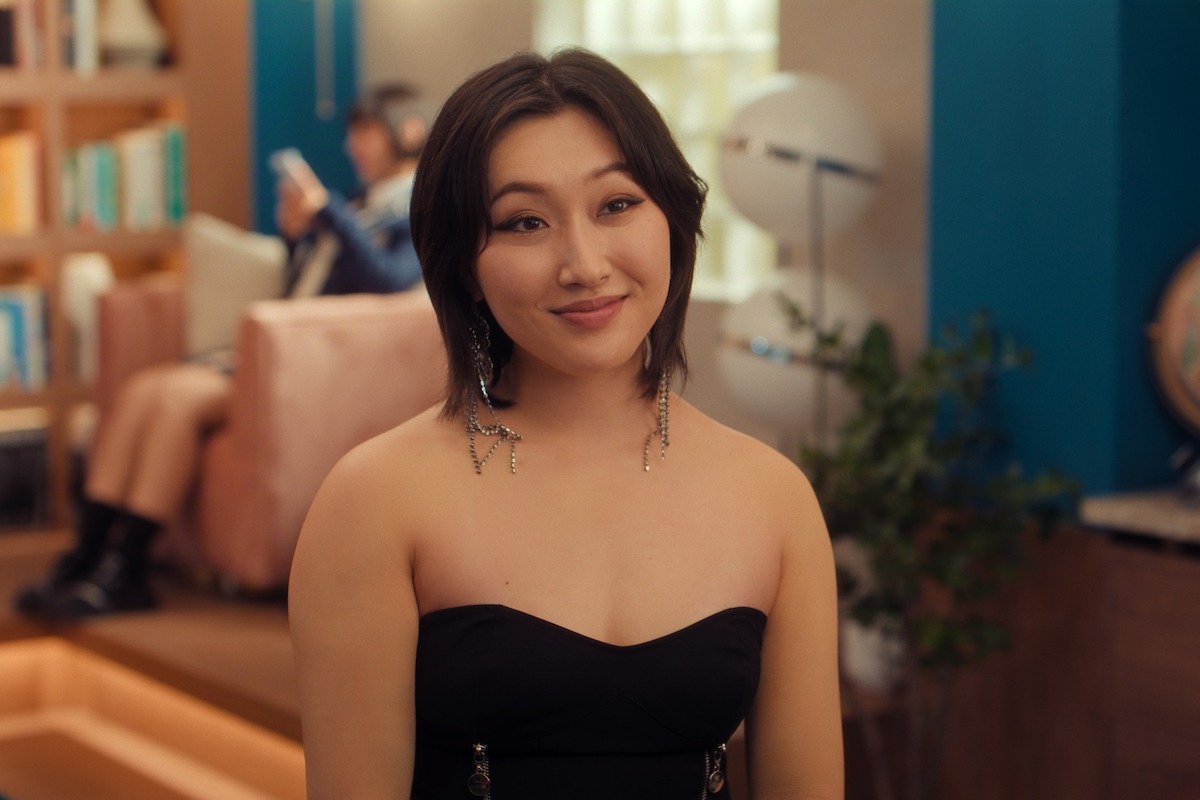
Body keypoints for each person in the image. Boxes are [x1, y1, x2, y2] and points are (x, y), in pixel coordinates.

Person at [289, 49, 843, 799]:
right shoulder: (377, 498)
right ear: (462, 264)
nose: (583, 264)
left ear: (673, 220)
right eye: (524, 222)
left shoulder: (774, 498)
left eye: (616, 205)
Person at [14, 84, 429, 620]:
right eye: (353, 132)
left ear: (407, 129)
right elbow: (312, 280)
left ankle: (127, 566)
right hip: (278, 346)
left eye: (365, 131)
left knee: (174, 402)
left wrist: (327, 214)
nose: (354, 145)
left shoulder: (416, 210)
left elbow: (389, 279)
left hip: (310, 367)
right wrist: (296, 235)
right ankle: (87, 555)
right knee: (144, 391)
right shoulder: (357, 205)